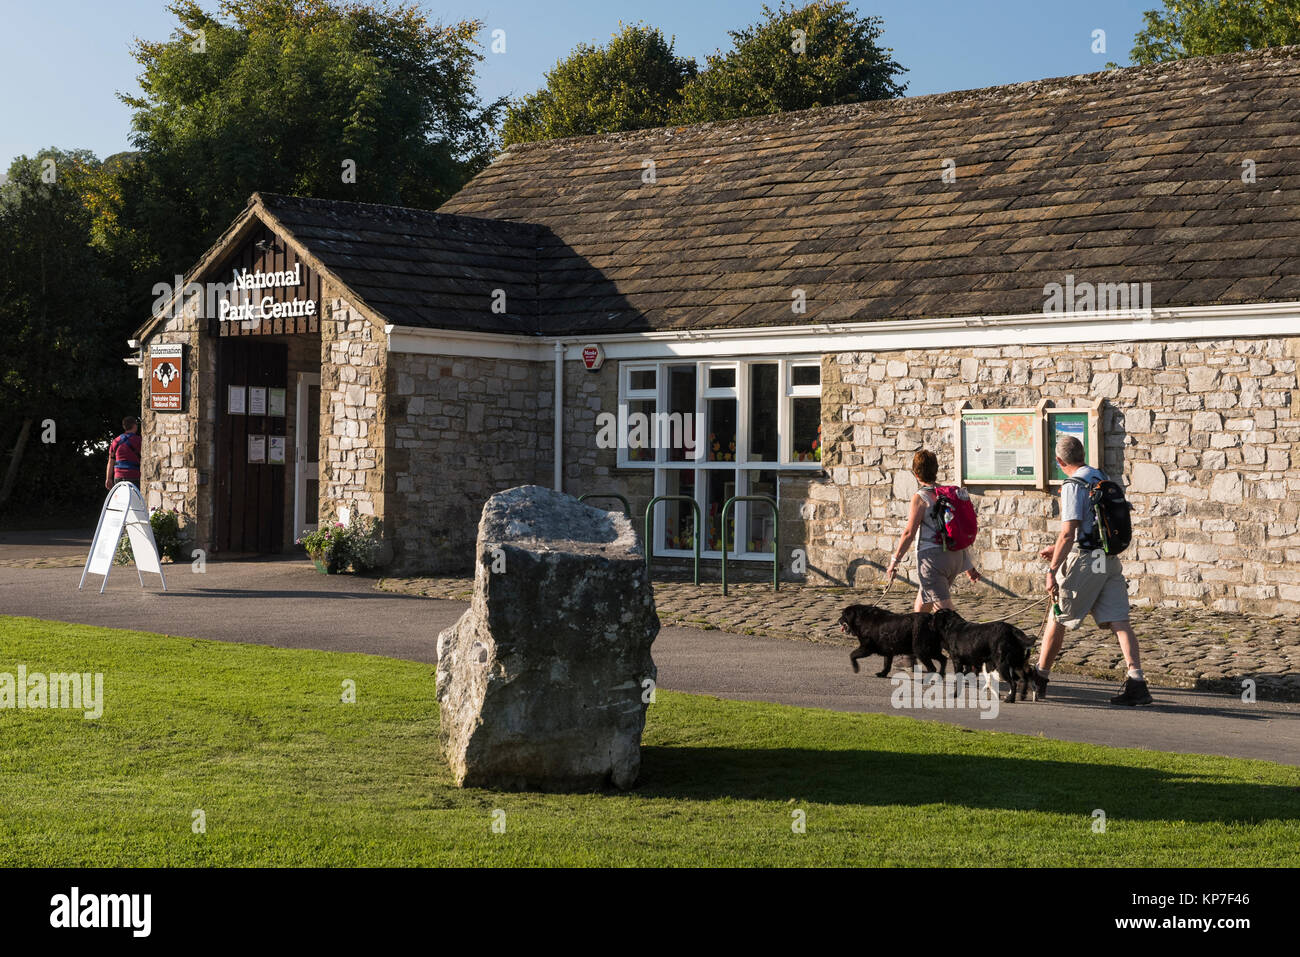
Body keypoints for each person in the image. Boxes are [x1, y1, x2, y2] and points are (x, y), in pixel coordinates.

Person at [1028, 435, 1152, 706]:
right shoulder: (1099, 476)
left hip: (1085, 561)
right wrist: (1057, 548)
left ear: (1059, 461)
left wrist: (1053, 569)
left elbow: (1069, 532)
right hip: (1108, 559)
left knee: (1057, 617)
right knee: (1119, 621)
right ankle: (1137, 681)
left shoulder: (1073, 484)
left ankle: (1040, 676)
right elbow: (1094, 525)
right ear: (1082, 454)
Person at [885, 449, 982, 614]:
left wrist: (895, 561)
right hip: (954, 558)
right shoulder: (949, 495)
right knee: (923, 605)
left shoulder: (921, 497)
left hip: (932, 561)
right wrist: (968, 566)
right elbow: (954, 531)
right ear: (936, 470)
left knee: (947, 615)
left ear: (916, 474)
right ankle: (918, 638)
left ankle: (963, 639)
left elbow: (909, 533)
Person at [106, 416, 142, 490]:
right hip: (134, 476)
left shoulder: (115, 441)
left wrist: (108, 478)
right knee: (134, 501)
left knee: (121, 501)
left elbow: (111, 461)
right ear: (134, 425)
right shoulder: (139, 440)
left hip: (118, 477)